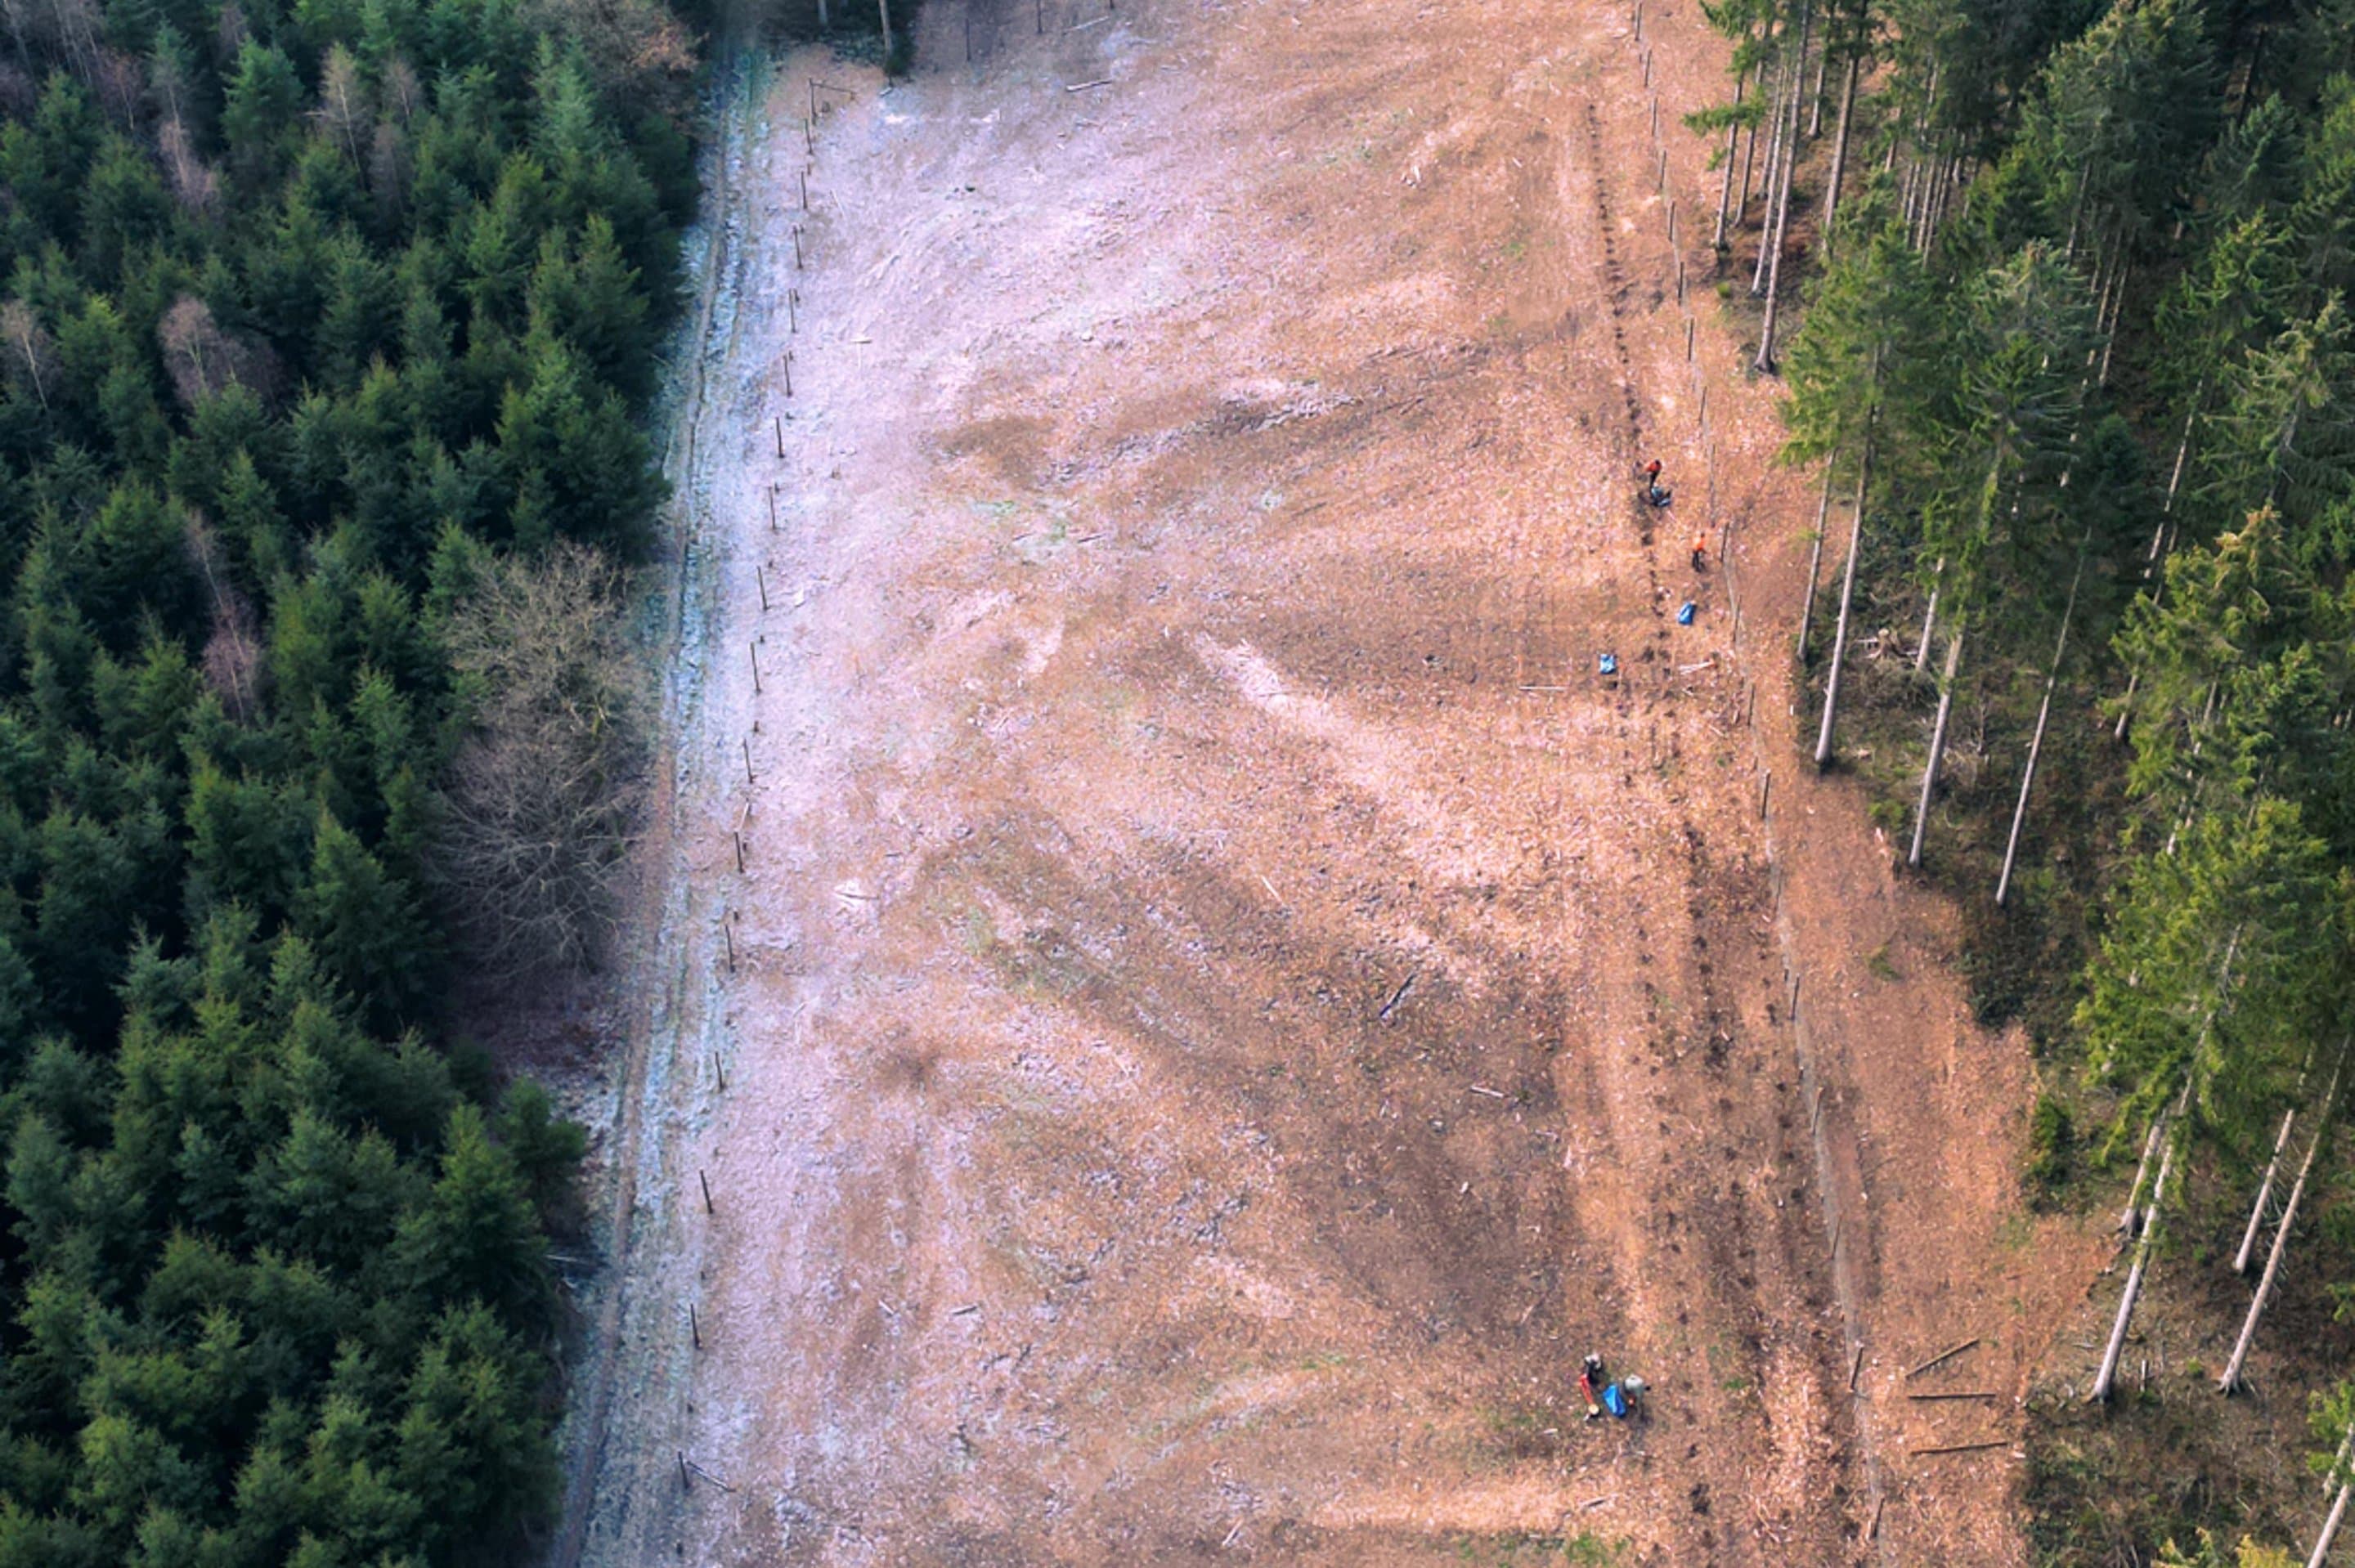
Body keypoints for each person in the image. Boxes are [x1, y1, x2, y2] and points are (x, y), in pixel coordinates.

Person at [1579, 1353, 1608, 1421]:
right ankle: (1592, 1380)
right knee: (1590, 1378)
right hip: (1589, 1374)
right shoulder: (1589, 1364)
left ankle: (1592, 1380)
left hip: (1590, 1373)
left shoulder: (1594, 1364)